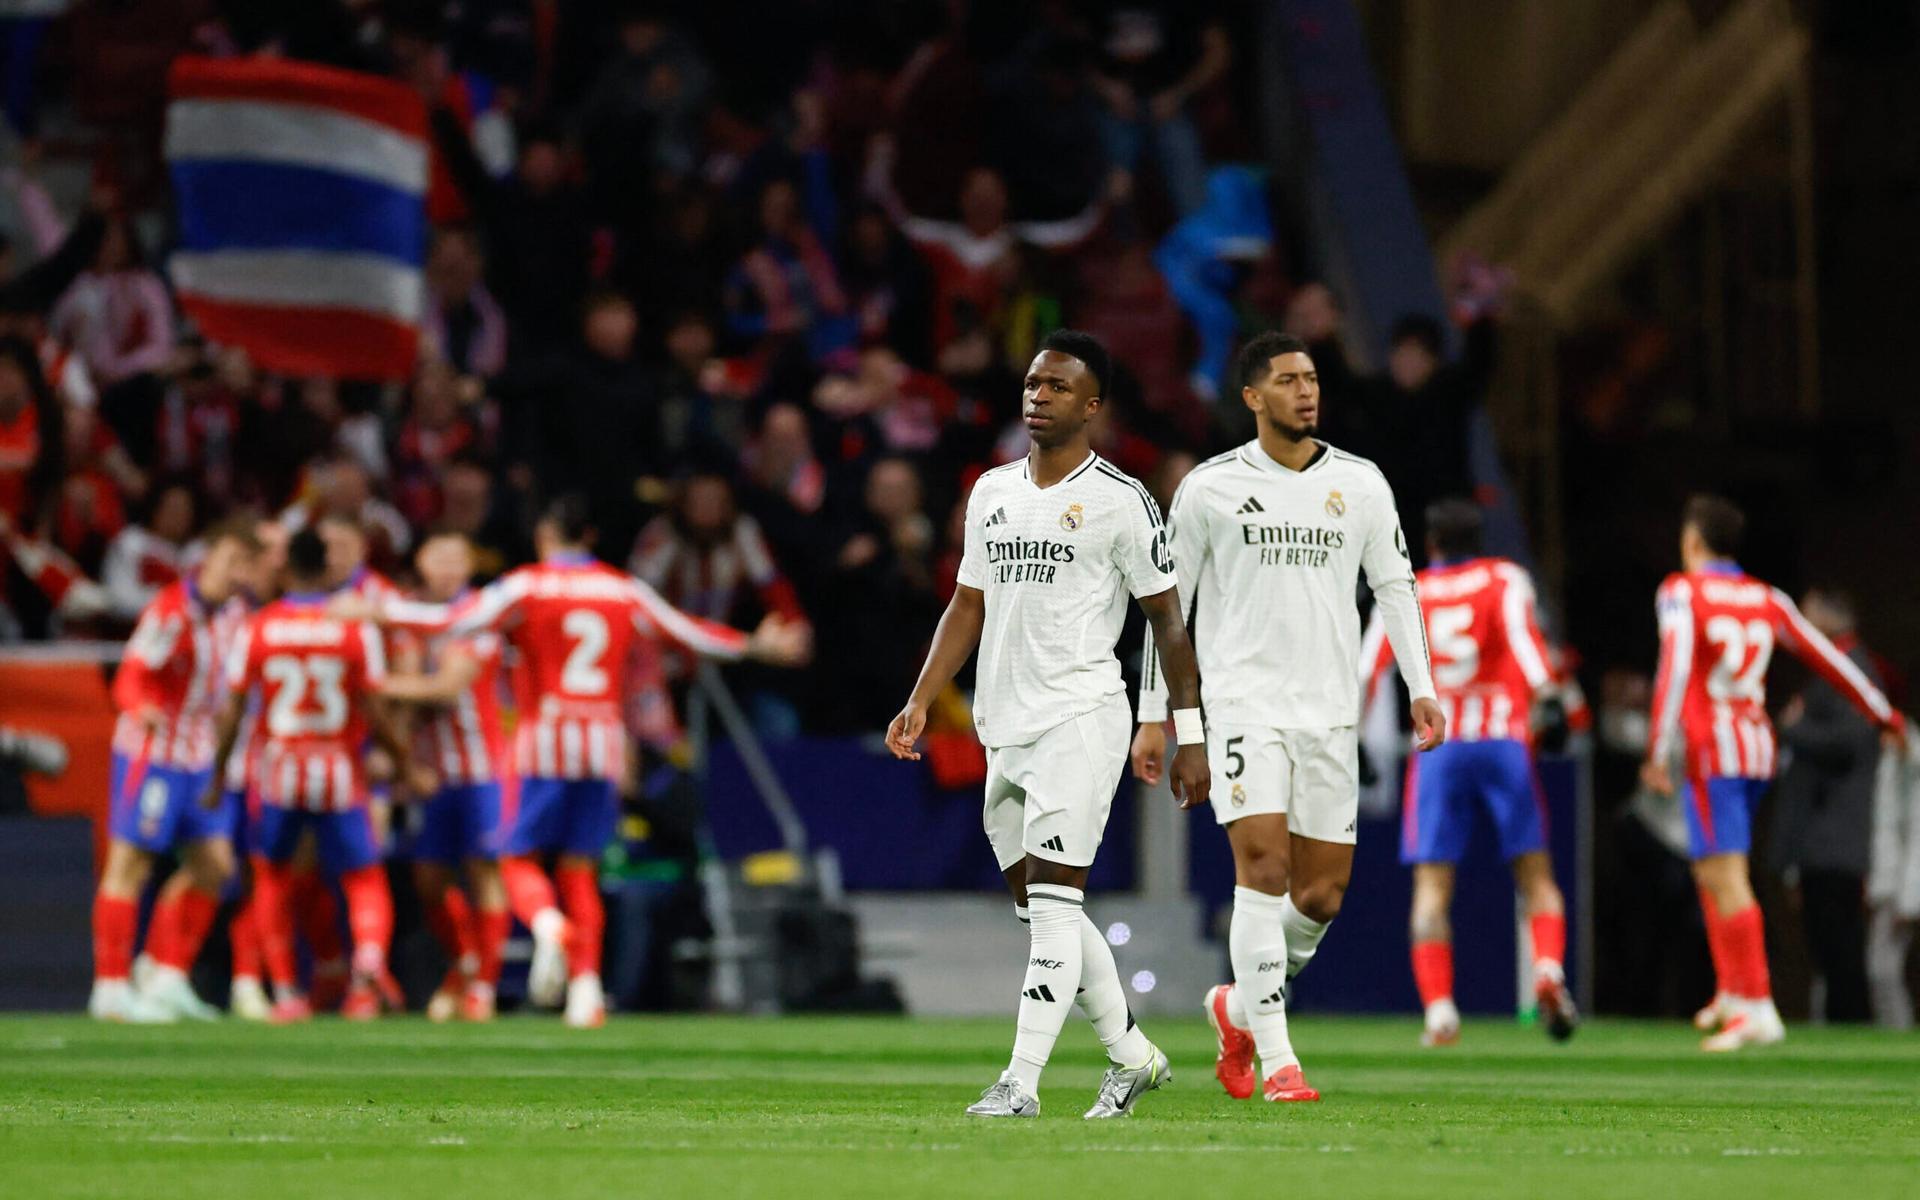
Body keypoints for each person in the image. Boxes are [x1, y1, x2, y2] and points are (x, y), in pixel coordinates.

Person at [886, 329, 1209, 1120]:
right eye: (1033, 383)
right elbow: (968, 603)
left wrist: (1180, 730)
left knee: (1057, 905)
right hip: (1006, 723)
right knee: (1042, 909)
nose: (1038, 396)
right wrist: (923, 696)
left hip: (1082, 715)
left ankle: (1020, 1083)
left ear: (1092, 407)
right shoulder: (992, 491)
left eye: (1058, 387)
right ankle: (1132, 1058)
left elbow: (1166, 624)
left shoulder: (1122, 501)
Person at [1132, 330, 1444, 1103]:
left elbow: (1396, 587)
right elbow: (1170, 614)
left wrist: (1422, 686)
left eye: (1311, 379)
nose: (1307, 391)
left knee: (1319, 899)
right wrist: (1161, 719)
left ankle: (1235, 1007)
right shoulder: (1208, 489)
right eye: (1288, 380)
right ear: (1252, 397)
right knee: (1264, 873)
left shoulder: (1362, 485)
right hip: (1244, 707)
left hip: (1330, 711)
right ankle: (1279, 1060)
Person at [362, 494, 809, 1027]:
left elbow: (454, 623)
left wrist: (380, 611)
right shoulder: (622, 588)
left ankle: (548, 926)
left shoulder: (527, 585)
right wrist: (754, 645)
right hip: (600, 742)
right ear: (590, 538)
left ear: (545, 536)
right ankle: (586, 992)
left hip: (544, 739)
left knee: (517, 860)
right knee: (581, 869)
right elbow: (685, 631)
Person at [1644, 495, 1905, 1050]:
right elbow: (1827, 658)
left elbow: (1676, 662)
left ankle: (1758, 1003)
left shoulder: (1681, 591)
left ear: (1693, 542)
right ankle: (1734, 993)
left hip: (1712, 749)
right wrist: (1881, 712)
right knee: (1712, 869)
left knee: (1725, 873)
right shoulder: (1768, 598)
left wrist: (1657, 748)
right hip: (1758, 747)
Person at [1360, 499, 1577, 1046]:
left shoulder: (1406, 587)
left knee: (1432, 888)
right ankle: (1548, 970)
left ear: (1429, 543)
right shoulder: (1504, 578)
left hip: (1440, 746)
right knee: (1536, 878)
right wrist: (1550, 698)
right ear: (1479, 540)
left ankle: (1439, 1011)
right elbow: (1528, 644)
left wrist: (1355, 735)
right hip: (1503, 741)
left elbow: (1369, 667)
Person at [207, 526, 426, 1023]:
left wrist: (219, 775)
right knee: (363, 876)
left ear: (287, 569)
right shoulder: (352, 629)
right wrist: (405, 763)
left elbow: (234, 712)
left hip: (280, 768)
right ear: (328, 567)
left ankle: (285, 991)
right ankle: (368, 964)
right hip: (338, 768)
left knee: (273, 879)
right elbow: (374, 709)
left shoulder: (259, 627)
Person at [88, 519, 260, 1022]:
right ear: (206, 560)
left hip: (201, 759)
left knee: (216, 868)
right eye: (231, 560)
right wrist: (140, 707)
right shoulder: (171, 610)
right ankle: (111, 988)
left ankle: (166, 975)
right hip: (154, 753)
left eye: (246, 564)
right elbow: (132, 675)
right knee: (130, 866)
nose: (238, 572)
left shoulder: (235, 615)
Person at [379, 530, 510, 1023]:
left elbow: (447, 686)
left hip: (482, 769)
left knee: (483, 871)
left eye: (461, 558)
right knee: (428, 879)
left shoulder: (480, 615)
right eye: (441, 557)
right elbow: (411, 689)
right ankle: (466, 961)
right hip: (434, 773)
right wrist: (401, 760)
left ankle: (483, 988)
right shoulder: (411, 619)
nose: (452, 567)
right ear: (422, 561)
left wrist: (376, 685)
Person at [1769, 589, 1885, 1024]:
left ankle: (1855, 1034)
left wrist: (1794, 729)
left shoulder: (1851, 668)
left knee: (1841, 952)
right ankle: (1847, 1027)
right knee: (1828, 950)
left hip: (1835, 836)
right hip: (1822, 840)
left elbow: (1848, 740)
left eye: (1810, 614)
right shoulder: (1831, 668)